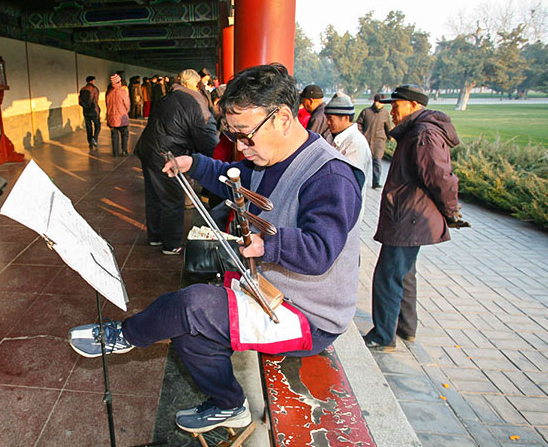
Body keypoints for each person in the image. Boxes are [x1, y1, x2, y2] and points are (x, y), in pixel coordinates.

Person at [68, 64, 365, 434]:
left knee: (190, 304)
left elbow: (322, 249)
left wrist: (265, 244)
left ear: (284, 118)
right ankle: (229, 404)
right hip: (269, 290)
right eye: (234, 135)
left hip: (308, 315)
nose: (241, 146)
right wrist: (193, 163)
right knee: (188, 331)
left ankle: (123, 336)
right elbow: (231, 179)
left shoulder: (330, 176)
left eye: (246, 135)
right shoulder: (267, 157)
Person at [364, 84, 470, 352]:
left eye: (396, 105)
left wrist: (451, 210)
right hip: (409, 214)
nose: (392, 111)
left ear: (413, 105)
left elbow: (440, 177)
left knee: (388, 276)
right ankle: (405, 328)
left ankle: (383, 335)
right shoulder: (417, 131)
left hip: (409, 216)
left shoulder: (423, 134)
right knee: (404, 273)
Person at [132, 69, 218, 255]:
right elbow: (208, 138)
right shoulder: (195, 101)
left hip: (148, 149)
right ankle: (171, 244)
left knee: (154, 197)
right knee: (173, 199)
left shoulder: (169, 95)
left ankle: (155, 237)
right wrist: (212, 158)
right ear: (195, 84)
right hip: (166, 155)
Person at [324, 92, 372, 224]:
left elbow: (348, 185)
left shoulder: (355, 144)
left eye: (330, 119)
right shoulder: (331, 137)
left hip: (344, 209)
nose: (327, 123)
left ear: (345, 118)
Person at [356, 93, 393, 188]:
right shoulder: (366, 111)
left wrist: (390, 137)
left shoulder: (385, 113)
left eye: (382, 103)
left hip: (379, 141)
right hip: (366, 139)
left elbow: (387, 126)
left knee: (377, 162)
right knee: (363, 161)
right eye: (378, 102)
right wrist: (361, 135)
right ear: (374, 101)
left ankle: (376, 182)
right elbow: (358, 124)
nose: (379, 105)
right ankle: (360, 180)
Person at [106, 73, 131, 157]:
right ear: (118, 82)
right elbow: (127, 104)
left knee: (114, 136)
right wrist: (126, 112)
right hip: (121, 118)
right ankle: (124, 151)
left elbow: (107, 104)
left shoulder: (108, 93)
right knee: (125, 135)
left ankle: (115, 153)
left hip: (112, 118)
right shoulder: (122, 92)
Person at [78, 76, 101, 149]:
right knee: (98, 125)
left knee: (89, 127)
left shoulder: (82, 89)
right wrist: (97, 111)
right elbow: (95, 101)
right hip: (93, 110)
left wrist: (85, 107)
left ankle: (90, 142)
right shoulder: (94, 89)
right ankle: (94, 138)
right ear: (92, 81)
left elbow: (80, 101)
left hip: (86, 111)